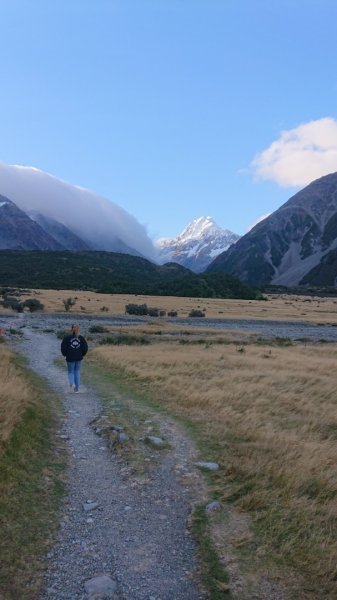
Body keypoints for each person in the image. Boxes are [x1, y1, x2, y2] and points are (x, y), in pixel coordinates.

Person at [61, 324, 88, 393]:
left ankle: (71, 384)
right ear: (79, 329)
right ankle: (77, 389)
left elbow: (63, 348)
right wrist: (82, 354)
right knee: (77, 372)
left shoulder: (67, 338)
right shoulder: (81, 338)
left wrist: (65, 354)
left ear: (71, 329)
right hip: (79, 357)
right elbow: (85, 348)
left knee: (71, 372)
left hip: (70, 357)